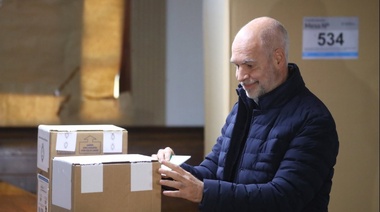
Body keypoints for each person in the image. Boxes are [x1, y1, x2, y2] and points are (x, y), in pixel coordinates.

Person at [155, 16, 339, 212]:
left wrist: (203, 192)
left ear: (278, 59)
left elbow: (284, 197)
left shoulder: (314, 120)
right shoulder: (243, 107)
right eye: (236, 65)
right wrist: (172, 169)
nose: (240, 76)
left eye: (249, 65)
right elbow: (213, 170)